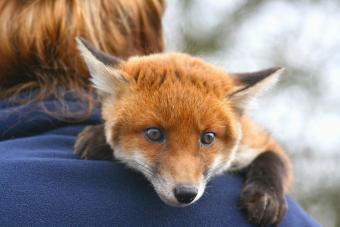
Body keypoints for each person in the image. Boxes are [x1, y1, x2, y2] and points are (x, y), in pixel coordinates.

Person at [0, 1, 319, 226]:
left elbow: (268, 154)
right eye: (155, 135)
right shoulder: (292, 220)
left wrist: (269, 183)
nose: (185, 181)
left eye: (207, 139)